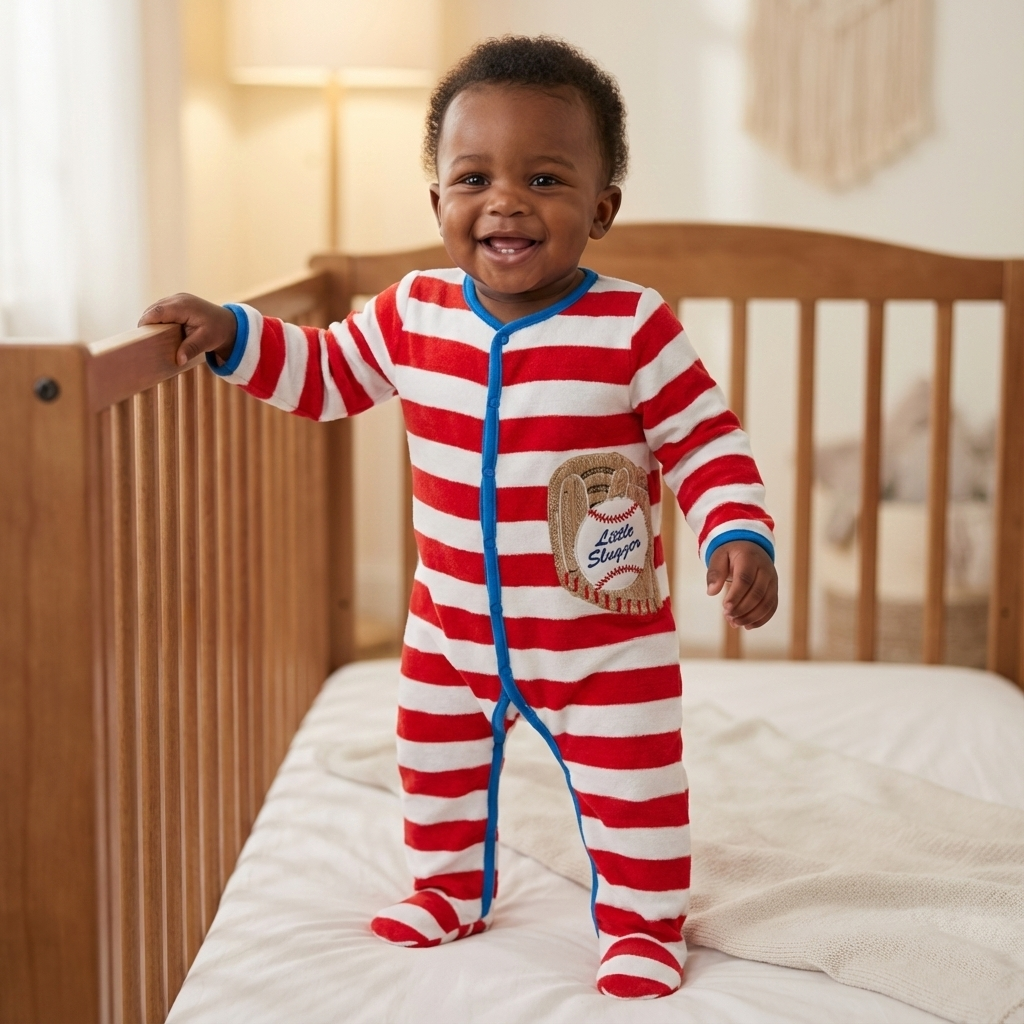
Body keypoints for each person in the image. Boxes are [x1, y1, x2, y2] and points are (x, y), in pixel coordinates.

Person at [140, 35, 777, 1000]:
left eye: (547, 177)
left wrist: (737, 530)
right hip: (452, 626)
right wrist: (234, 333)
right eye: (472, 175)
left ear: (601, 209)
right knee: (431, 766)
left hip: (601, 636)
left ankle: (644, 924)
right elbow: (324, 376)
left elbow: (705, 443)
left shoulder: (634, 326)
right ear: (437, 199)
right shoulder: (412, 313)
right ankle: (447, 889)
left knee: (636, 790)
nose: (505, 200)